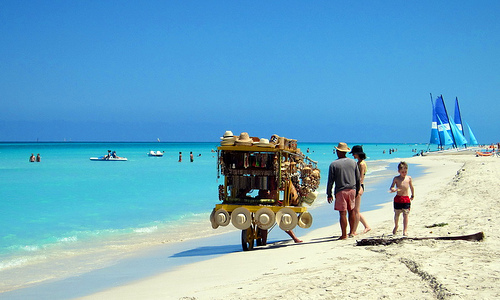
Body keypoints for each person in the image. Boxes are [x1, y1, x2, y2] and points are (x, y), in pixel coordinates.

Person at [326, 142, 360, 239]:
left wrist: (329, 194)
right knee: (351, 211)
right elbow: (357, 178)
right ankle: (352, 232)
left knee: (342, 213)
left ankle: (344, 235)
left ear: (339, 152)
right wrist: (357, 190)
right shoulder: (353, 162)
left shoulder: (334, 164)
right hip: (352, 189)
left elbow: (330, 181)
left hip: (341, 191)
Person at [389, 161, 415, 236]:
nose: (404, 173)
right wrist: (393, 189)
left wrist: (413, 195)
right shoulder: (396, 178)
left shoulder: (408, 178)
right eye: (402, 172)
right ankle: (396, 226)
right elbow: (391, 187)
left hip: (406, 198)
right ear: (399, 171)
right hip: (398, 198)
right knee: (397, 214)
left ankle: (405, 230)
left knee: (406, 214)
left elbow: (411, 187)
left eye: (405, 172)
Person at [350, 145, 371, 235]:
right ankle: (367, 226)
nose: (353, 155)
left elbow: (361, 178)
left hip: (359, 186)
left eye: (354, 153)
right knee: (355, 210)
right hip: (357, 186)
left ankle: (354, 231)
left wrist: (358, 189)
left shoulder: (361, 164)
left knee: (356, 211)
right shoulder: (358, 162)